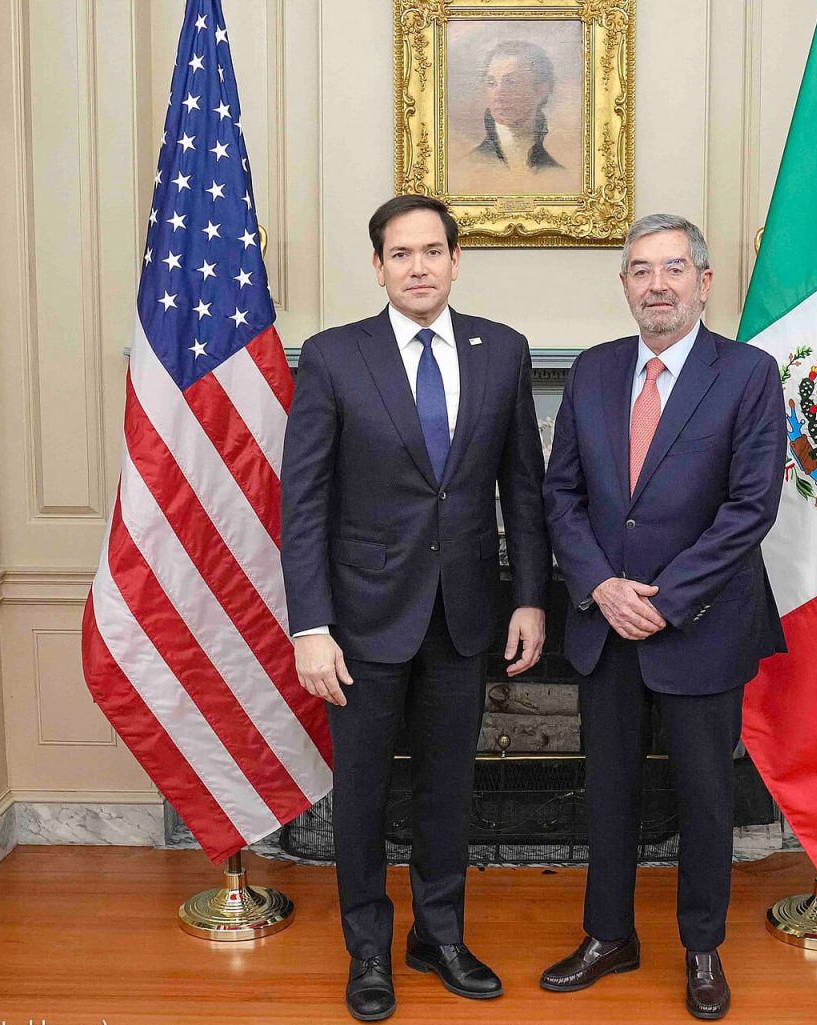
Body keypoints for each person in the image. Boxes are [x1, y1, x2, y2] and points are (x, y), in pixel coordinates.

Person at [280, 195, 550, 1022]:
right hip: (360, 622)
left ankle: (439, 936)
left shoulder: (503, 351)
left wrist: (530, 598)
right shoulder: (334, 356)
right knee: (363, 793)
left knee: (448, 790)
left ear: (457, 260)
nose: (419, 267)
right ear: (378, 267)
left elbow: (523, 489)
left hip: (464, 615)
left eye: (433, 251)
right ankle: (368, 948)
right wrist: (310, 626)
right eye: (401, 254)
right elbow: (304, 502)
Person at [540, 214, 787, 1020]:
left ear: (704, 282)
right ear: (625, 285)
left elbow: (750, 507)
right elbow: (561, 494)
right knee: (607, 791)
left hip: (701, 625)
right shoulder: (593, 370)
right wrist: (601, 587)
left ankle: (702, 946)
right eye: (641, 270)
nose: (657, 285)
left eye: (674, 268)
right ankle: (609, 935)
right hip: (604, 624)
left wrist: (667, 600)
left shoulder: (748, 374)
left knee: (705, 797)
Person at [471, 40, 563, 174]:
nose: (498, 94)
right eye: (491, 83)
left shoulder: (556, 173)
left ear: (540, 91)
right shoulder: (469, 165)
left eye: (511, 82)